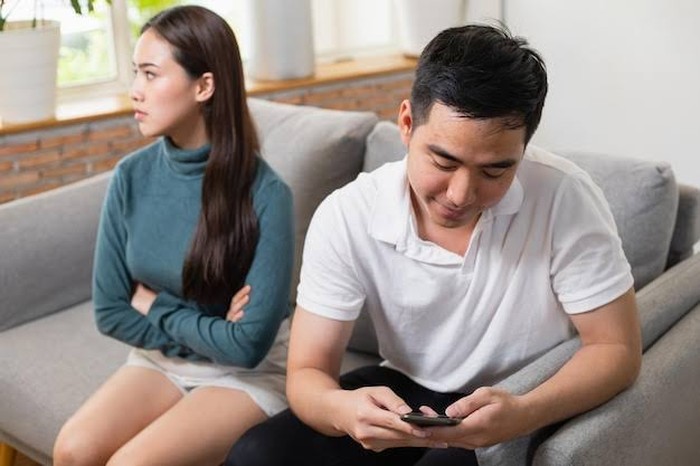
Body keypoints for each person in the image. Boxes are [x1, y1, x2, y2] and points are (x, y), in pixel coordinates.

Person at [225, 24, 641, 466]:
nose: (461, 194)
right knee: (255, 454)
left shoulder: (564, 196)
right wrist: (344, 411)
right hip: (407, 387)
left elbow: (615, 348)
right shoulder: (349, 213)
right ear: (406, 124)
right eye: (444, 161)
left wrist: (525, 412)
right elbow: (308, 374)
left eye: (495, 171)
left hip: (522, 392)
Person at [52, 5, 294, 466]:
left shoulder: (267, 194)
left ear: (204, 86)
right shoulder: (131, 176)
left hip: (248, 375)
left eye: (150, 74)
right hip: (160, 359)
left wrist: (154, 304)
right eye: (135, 73)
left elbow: (246, 348)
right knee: (73, 450)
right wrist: (214, 330)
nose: (135, 90)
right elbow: (110, 311)